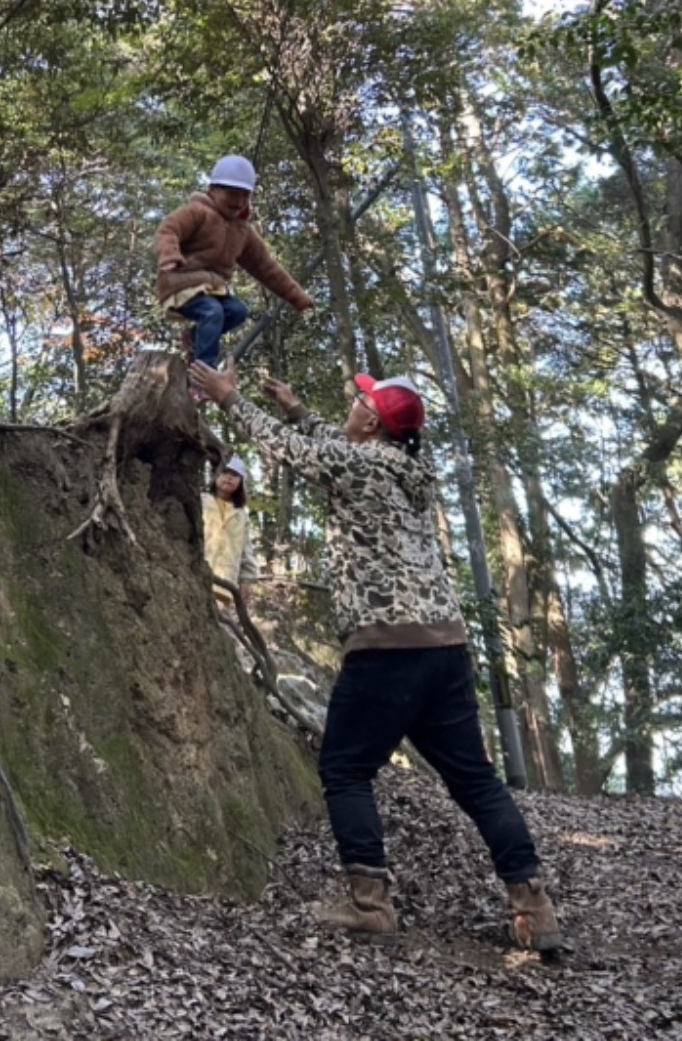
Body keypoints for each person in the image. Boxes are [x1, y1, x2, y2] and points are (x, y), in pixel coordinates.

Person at [189, 358, 564, 955]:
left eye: (362, 401)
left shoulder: (356, 463)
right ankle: (533, 905)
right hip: (445, 647)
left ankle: (369, 903)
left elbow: (298, 453)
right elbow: (333, 446)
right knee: (476, 781)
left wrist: (232, 400)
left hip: (387, 649)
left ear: (371, 422)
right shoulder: (410, 467)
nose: (354, 403)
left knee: (344, 768)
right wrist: (297, 408)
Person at [154, 155, 316, 372]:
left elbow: (266, 267)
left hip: (212, 289)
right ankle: (204, 372)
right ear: (214, 190)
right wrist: (169, 255)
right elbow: (169, 229)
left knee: (238, 311)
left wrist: (298, 298)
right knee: (213, 312)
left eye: (244, 195)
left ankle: (193, 338)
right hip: (181, 282)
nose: (238, 201)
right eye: (232, 193)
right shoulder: (197, 212)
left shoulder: (243, 231)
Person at [203, 456, 260, 610]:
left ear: (241, 482)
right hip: (198, 575)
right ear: (214, 475)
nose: (229, 477)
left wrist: (247, 580)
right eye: (225, 472)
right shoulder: (201, 501)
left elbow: (246, 550)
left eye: (235, 475)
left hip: (224, 583)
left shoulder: (241, 515)